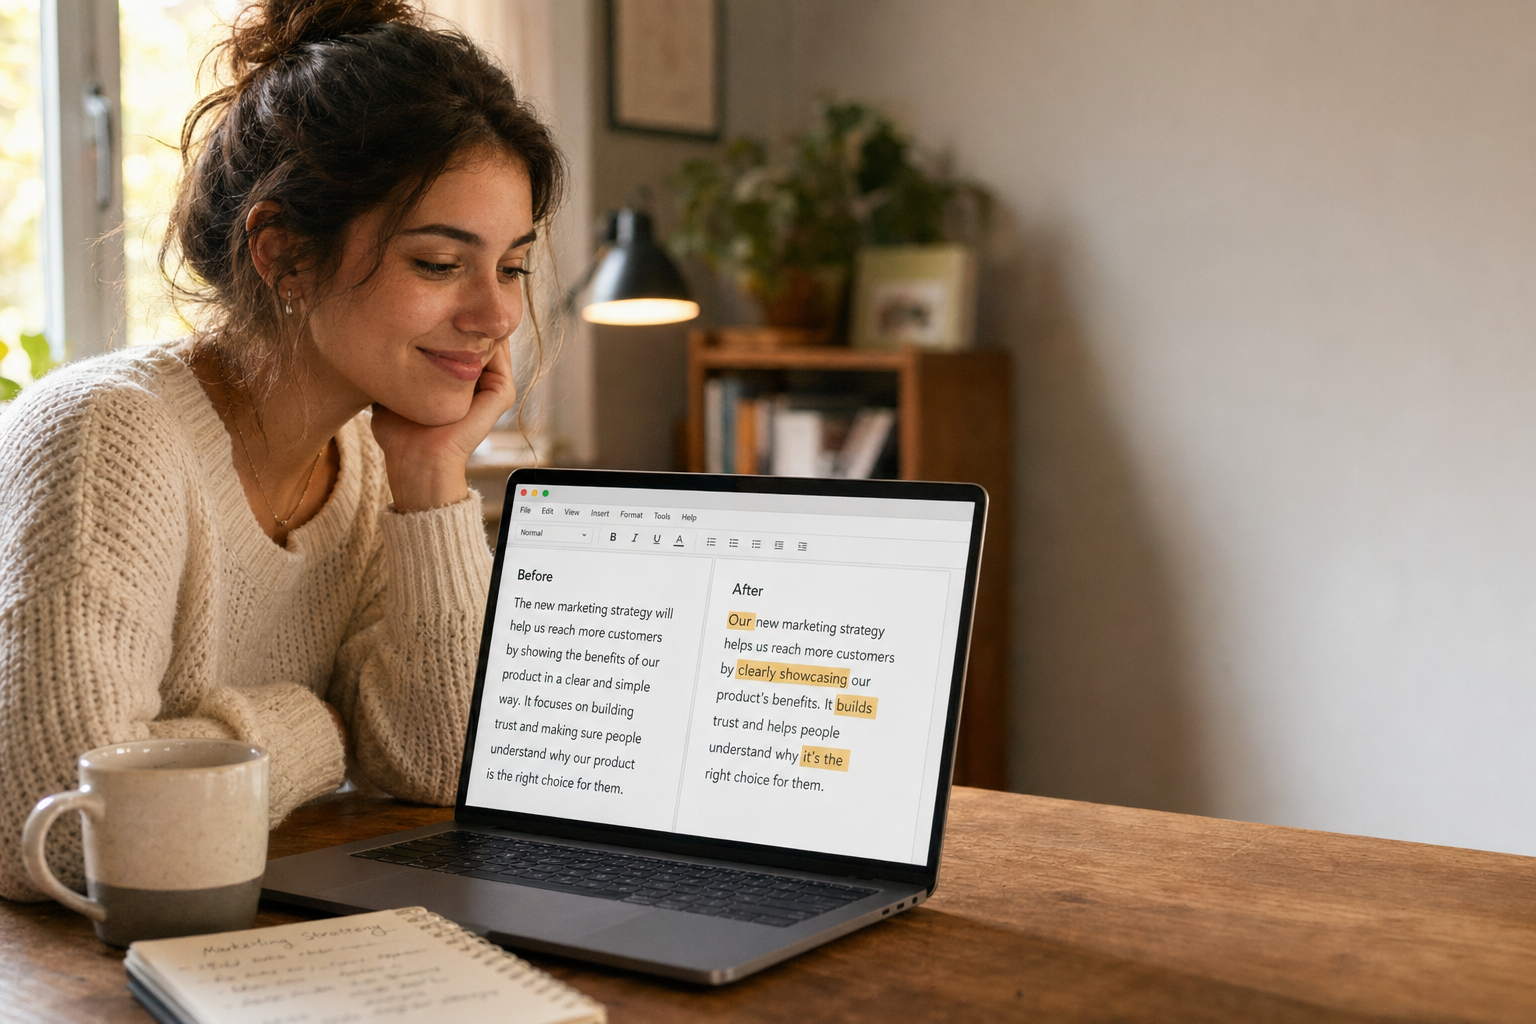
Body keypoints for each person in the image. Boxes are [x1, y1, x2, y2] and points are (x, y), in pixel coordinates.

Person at [0, 0, 564, 900]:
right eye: (438, 262)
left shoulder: (378, 457)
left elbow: (441, 766)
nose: (496, 315)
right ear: (283, 254)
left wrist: (432, 474)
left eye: (511, 264)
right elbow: (64, 825)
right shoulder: (109, 434)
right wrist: (320, 727)